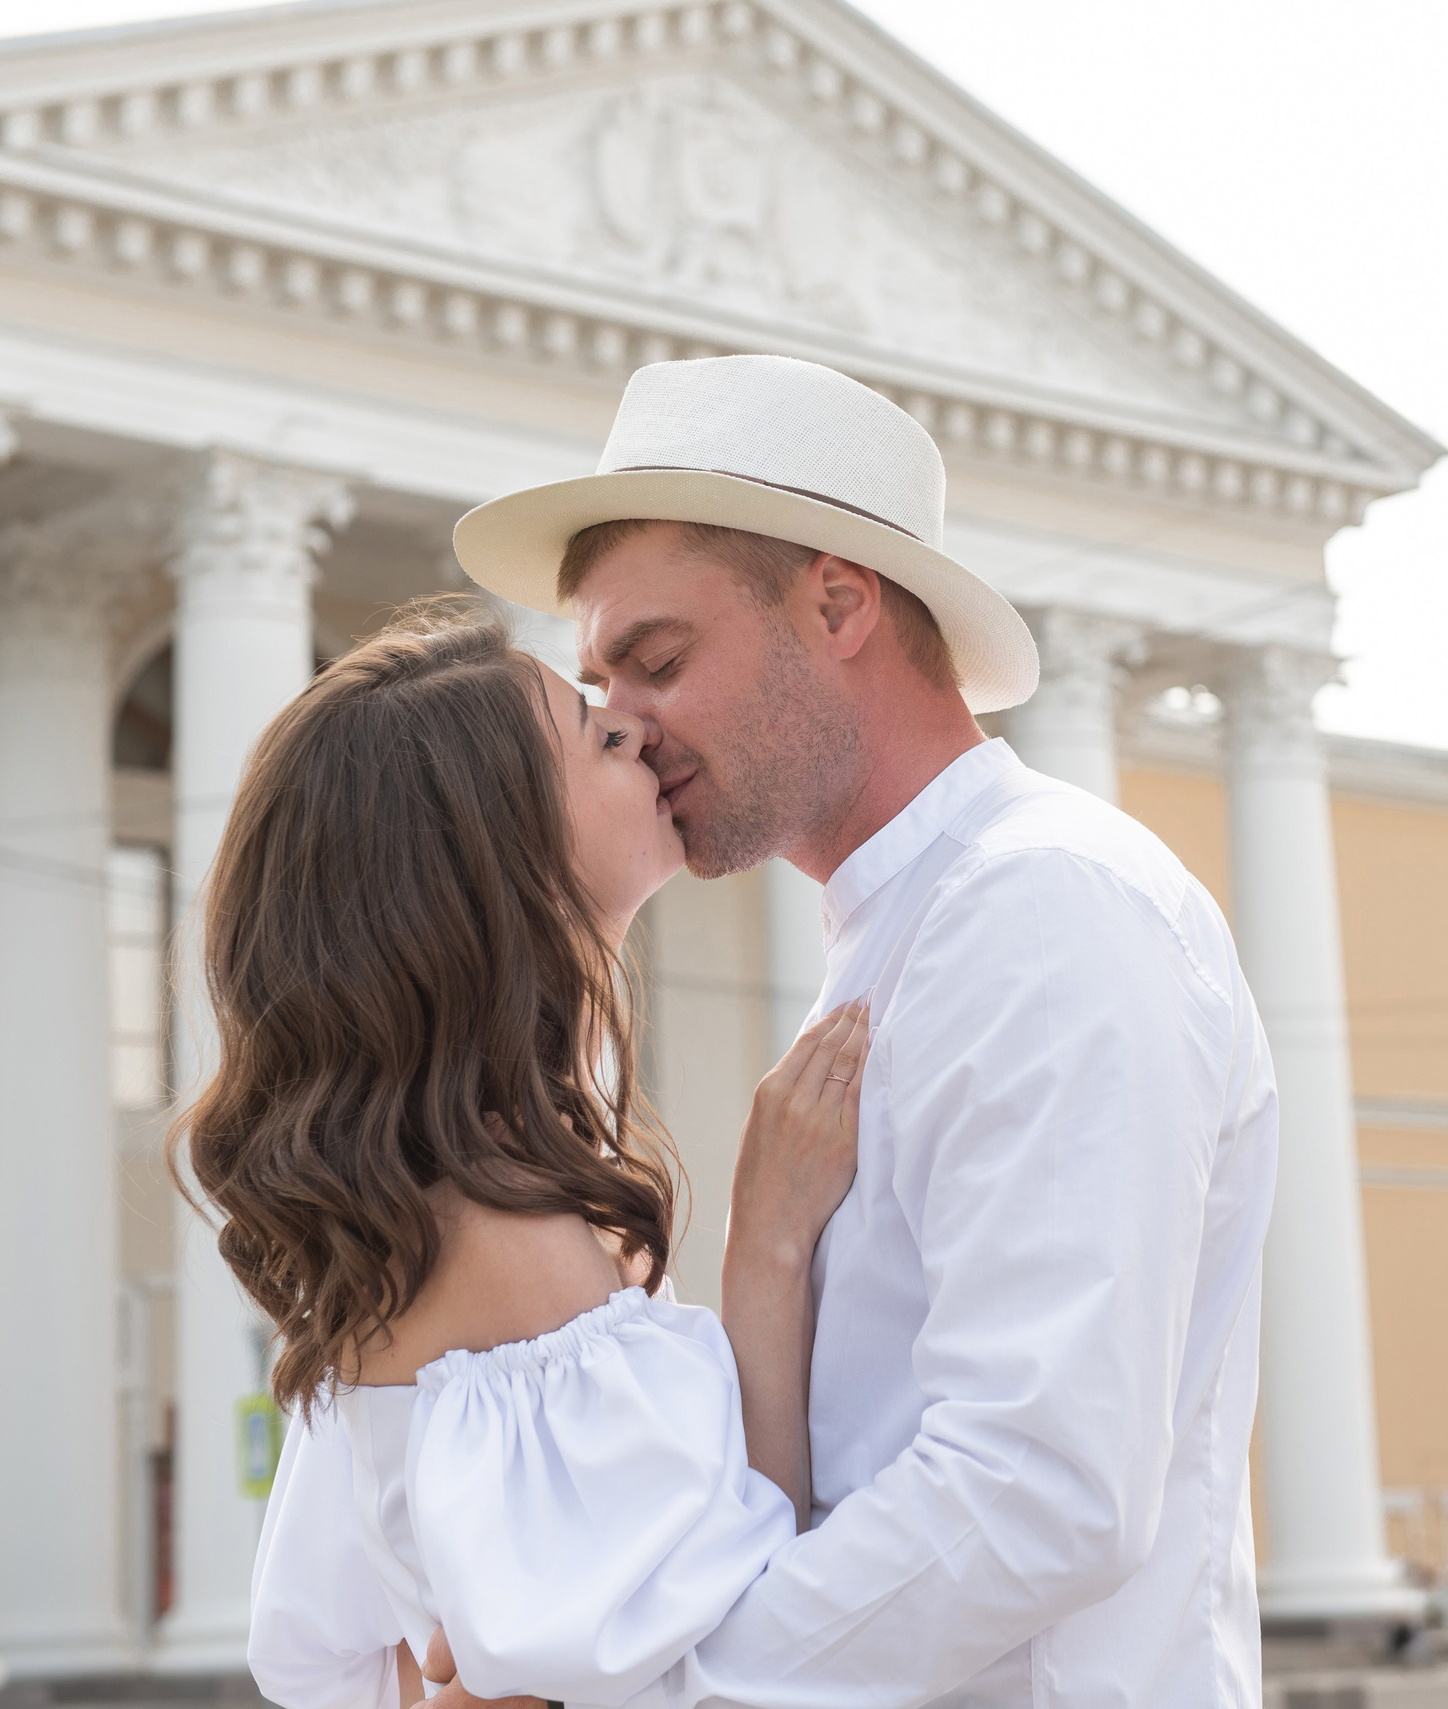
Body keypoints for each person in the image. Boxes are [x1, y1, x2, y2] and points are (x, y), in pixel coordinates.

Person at [434, 354, 1280, 1707]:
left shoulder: (1044, 906)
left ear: (837, 603)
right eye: (601, 685)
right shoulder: (912, 930)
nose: (624, 730)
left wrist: (664, 1685)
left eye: (659, 662)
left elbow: (1037, 1489)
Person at [185, 608, 874, 1708]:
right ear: (499, 856)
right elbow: (737, 1621)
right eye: (597, 734)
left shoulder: (460, 1199)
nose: (637, 731)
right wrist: (770, 1242)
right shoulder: (504, 1237)